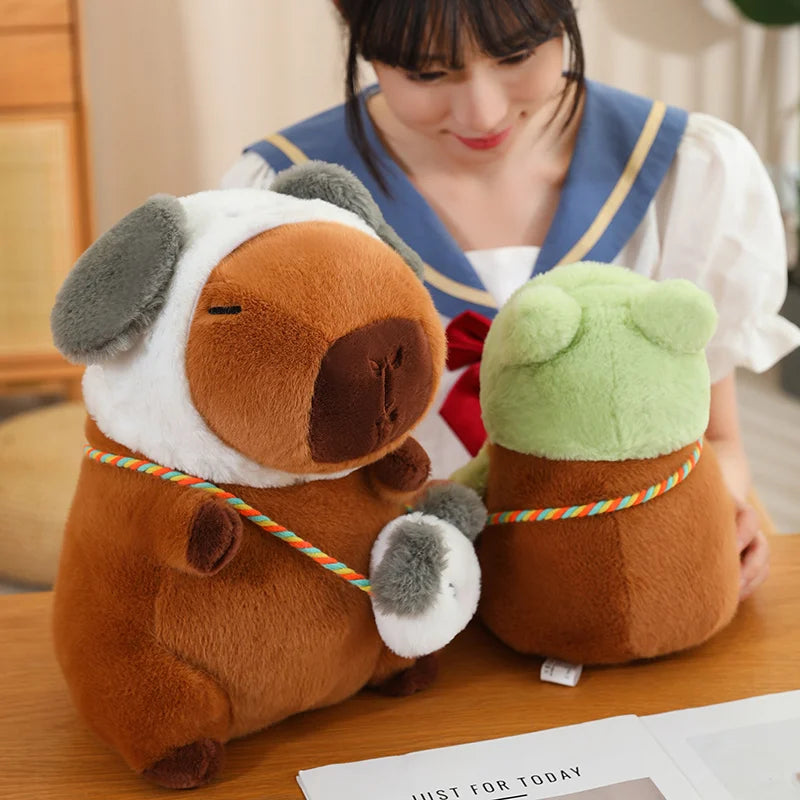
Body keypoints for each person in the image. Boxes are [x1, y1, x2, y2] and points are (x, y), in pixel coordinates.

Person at [221, 0, 800, 600]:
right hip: (391, 598)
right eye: (426, 73)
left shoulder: (685, 172)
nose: (483, 112)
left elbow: (717, 440)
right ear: (361, 36)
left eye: (517, 54)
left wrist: (722, 513)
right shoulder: (281, 202)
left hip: (614, 586)